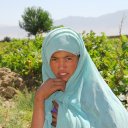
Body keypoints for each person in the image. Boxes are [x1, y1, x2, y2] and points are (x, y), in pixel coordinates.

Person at [31, 27, 128, 128]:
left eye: (68, 58)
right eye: (54, 59)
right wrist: (39, 98)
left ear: (80, 59)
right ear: (47, 62)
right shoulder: (47, 92)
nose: (61, 66)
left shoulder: (96, 94)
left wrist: (67, 121)